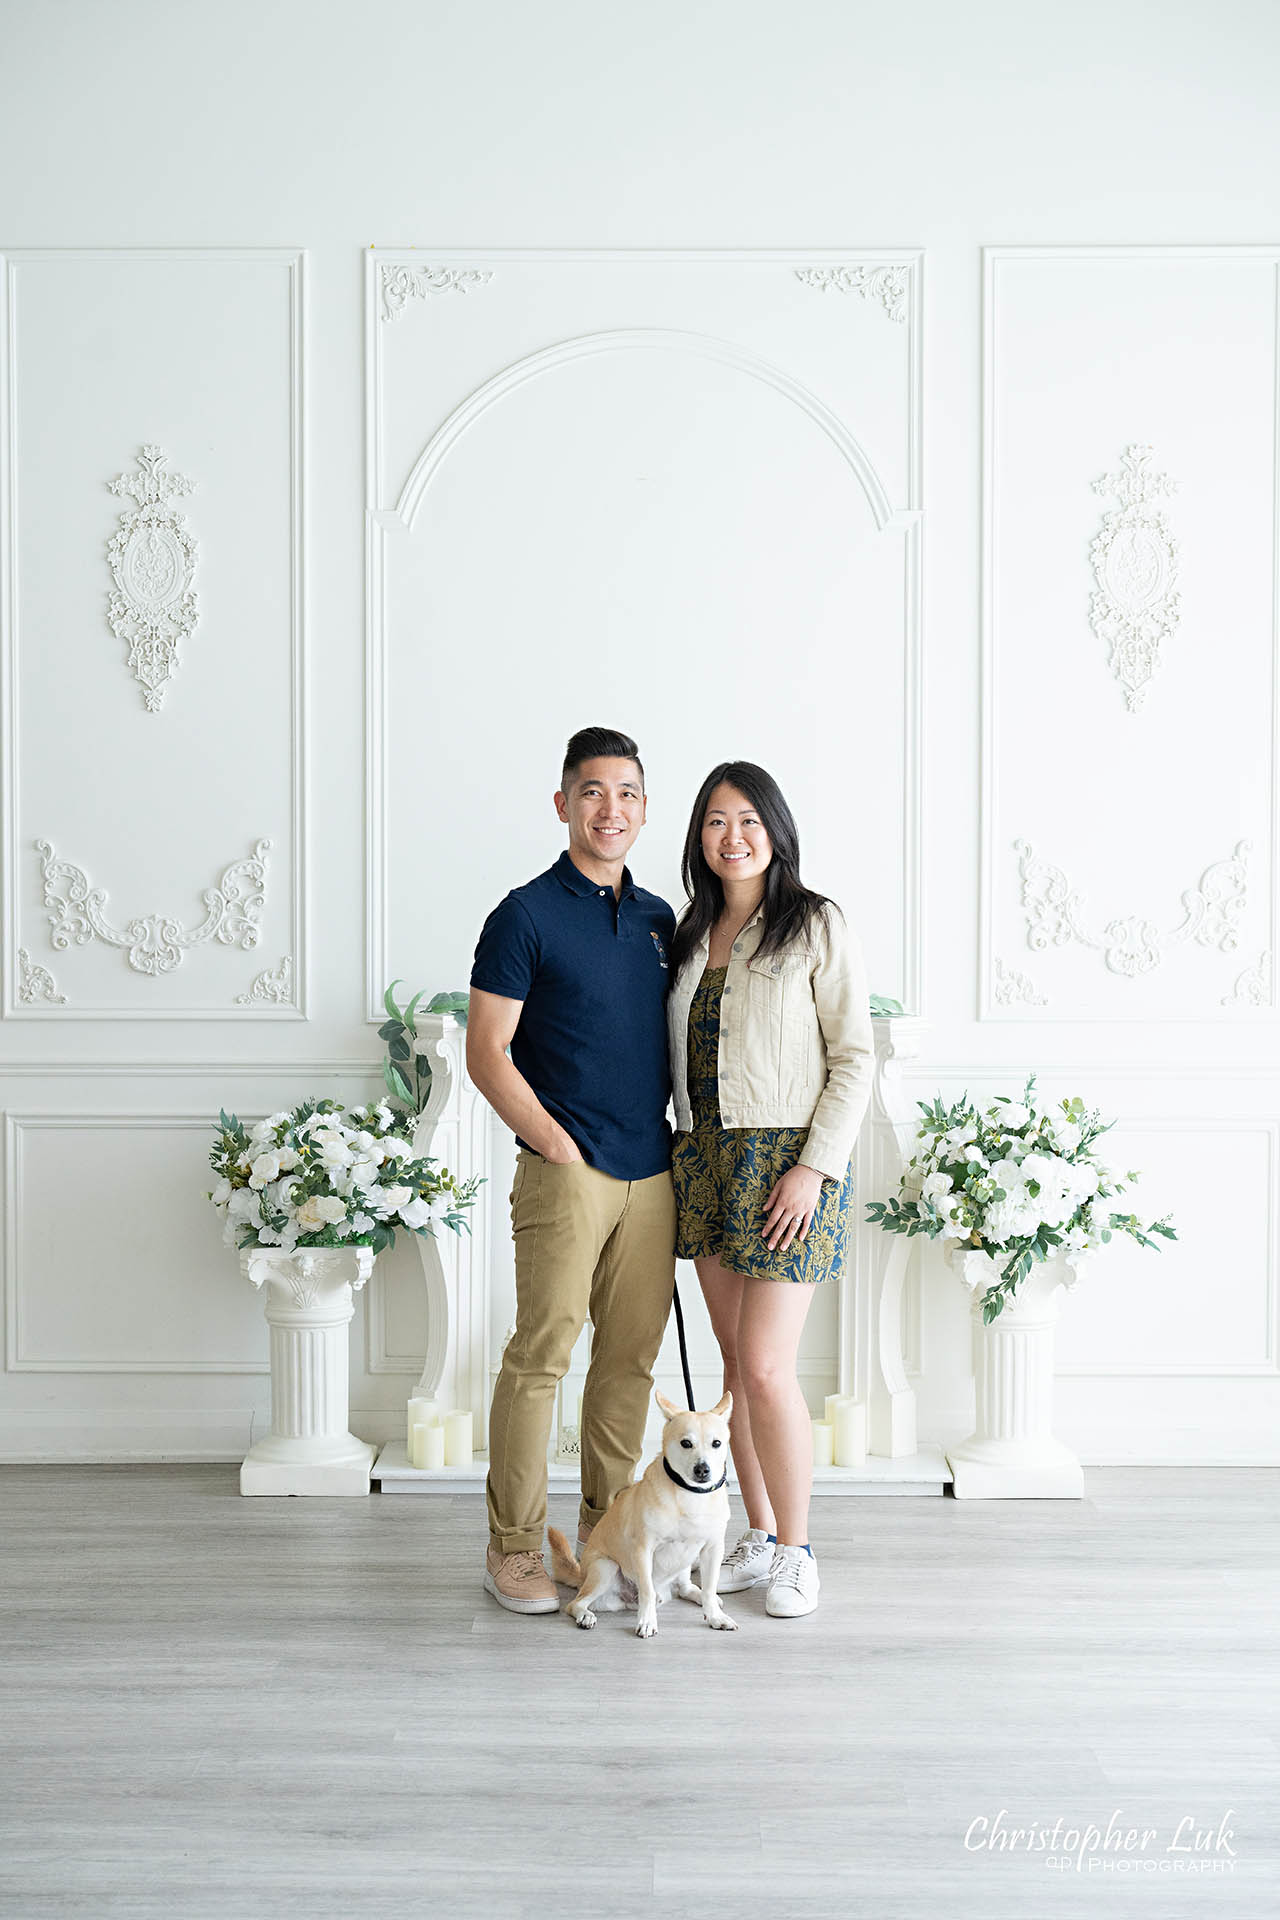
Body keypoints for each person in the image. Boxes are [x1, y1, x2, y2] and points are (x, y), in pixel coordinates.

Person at [467, 727, 677, 1615]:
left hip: (653, 1173)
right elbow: (488, 1054)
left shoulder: (663, 919)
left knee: (628, 1364)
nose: (610, 809)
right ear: (563, 804)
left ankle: (603, 1535)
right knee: (540, 1359)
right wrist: (554, 1145)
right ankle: (513, 1548)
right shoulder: (523, 915)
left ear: (643, 807)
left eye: (626, 793)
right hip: (566, 1172)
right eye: (592, 792)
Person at [665, 762, 875, 1619]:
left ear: (776, 830)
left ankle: (798, 1550)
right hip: (706, 1157)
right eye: (716, 821)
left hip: (787, 1159)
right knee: (734, 1371)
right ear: (700, 837)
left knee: (765, 1366)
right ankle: (756, 1532)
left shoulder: (815, 922)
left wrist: (813, 1168)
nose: (733, 836)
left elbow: (856, 1055)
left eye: (749, 819)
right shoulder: (690, 932)